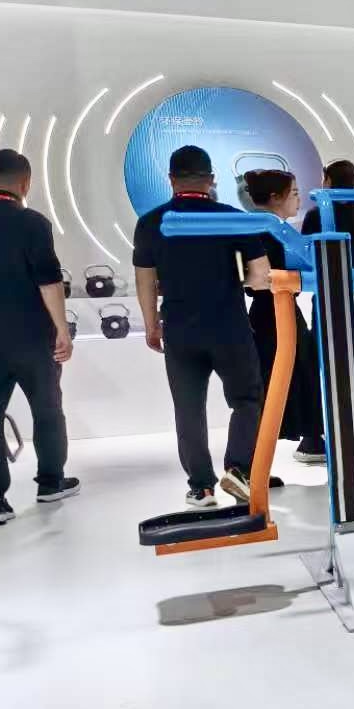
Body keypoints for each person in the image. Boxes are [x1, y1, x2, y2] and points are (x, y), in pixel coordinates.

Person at [133, 144, 271, 508]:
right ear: (211, 179)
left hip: (180, 329)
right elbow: (262, 277)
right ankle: (238, 469)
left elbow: (145, 279)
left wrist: (151, 324)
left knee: (188, 408)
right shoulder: (232, 218)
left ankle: (201, 487)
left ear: (170, 180)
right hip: (229, 326)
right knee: (247, 399)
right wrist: (235, 281)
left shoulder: (151, 223)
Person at [0, 149, 78, 526]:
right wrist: (62, 328)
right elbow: (49, 281)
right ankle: (51, 482)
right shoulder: (34, 223)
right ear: (26, 183)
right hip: (33, 338)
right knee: (47, 410)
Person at [294, 160, 354, 469]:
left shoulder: (317, 216)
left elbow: (306, 260)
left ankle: (322, 441)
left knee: (323, 371)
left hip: (331, 304)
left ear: (329, 181)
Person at [240, 169, 322, 462]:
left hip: (278, 312)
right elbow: (257, 279)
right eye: (295, 193)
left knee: (298, 376)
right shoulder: (266, 231)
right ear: (276, 197)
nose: (299, 200)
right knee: (273, 383)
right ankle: (253, 463)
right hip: (272, 315)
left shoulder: (273, 230)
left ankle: (311, 441)